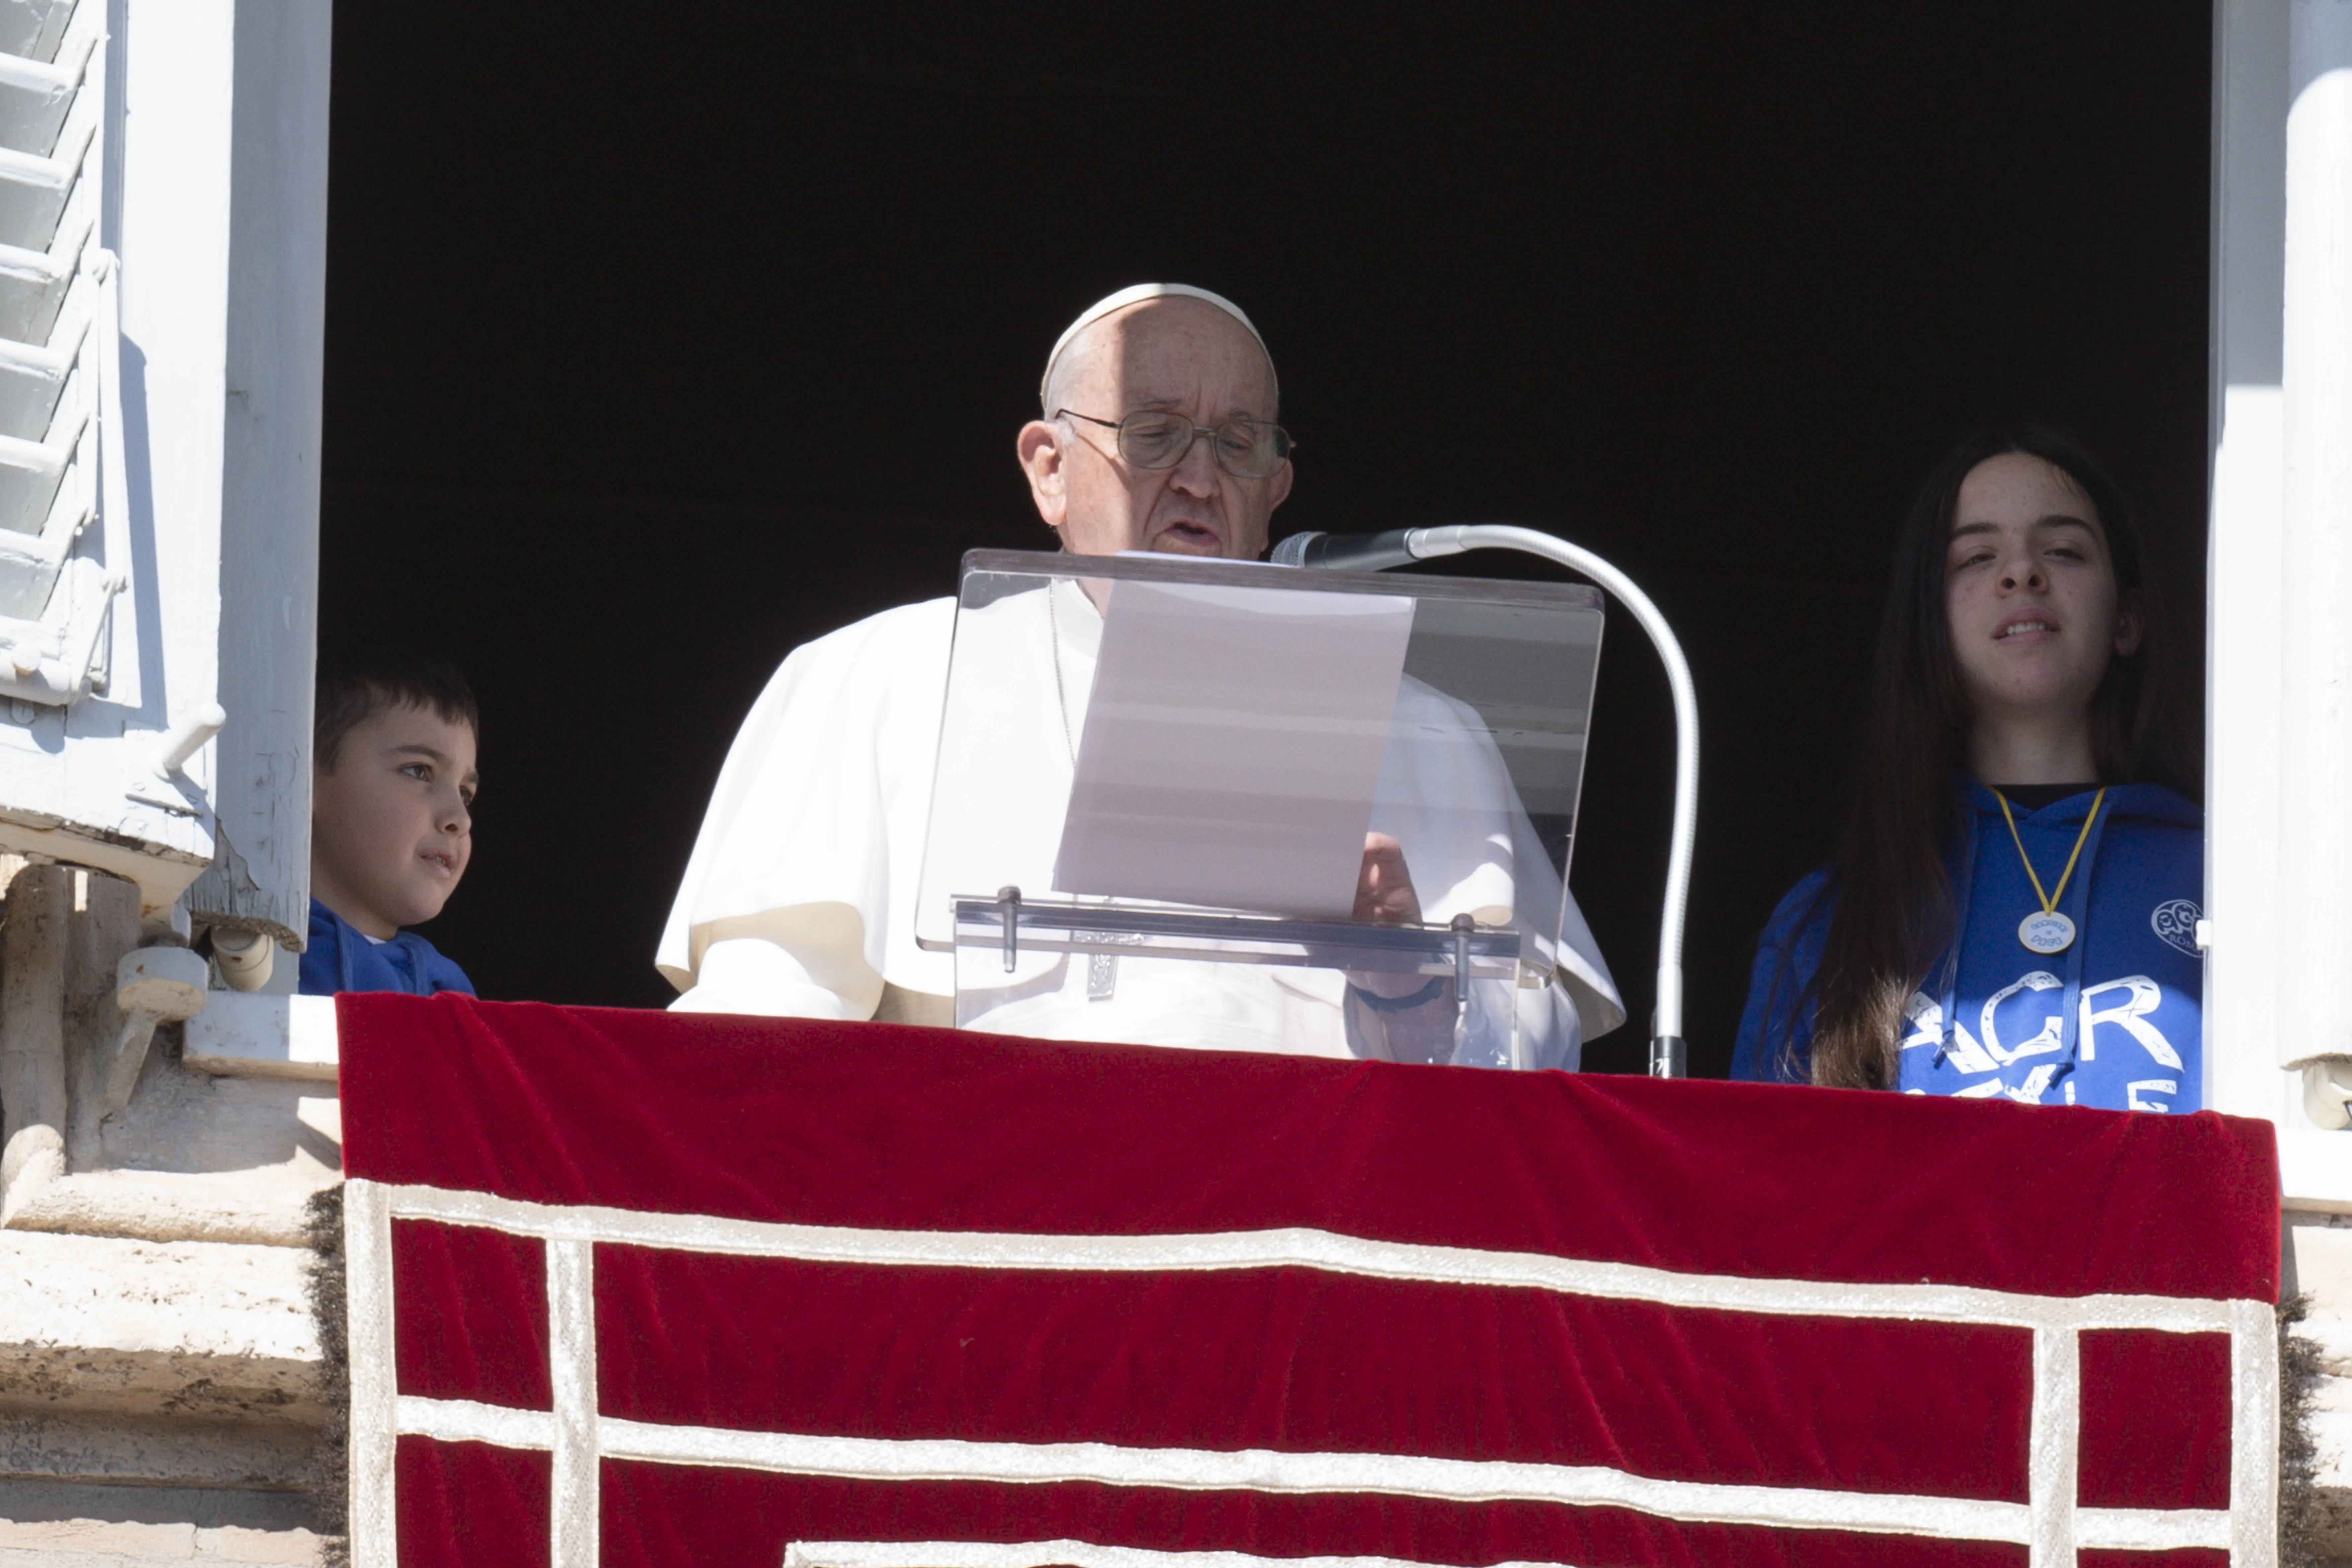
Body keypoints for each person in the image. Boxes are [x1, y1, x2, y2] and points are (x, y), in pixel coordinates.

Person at [659, 283, 1620, 1066]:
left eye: (1236, 443)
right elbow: (759, 1033)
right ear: (1048, 468)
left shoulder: (1429, 735)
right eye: (1154, 433)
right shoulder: (879, 676)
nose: (1198, 478)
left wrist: (1408, 982)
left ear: (1275, 489)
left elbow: (1538, 1066)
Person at [1731, 428, 2200, 1109]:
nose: (2022, 574)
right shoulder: (1828, 918)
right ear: (1931, 629)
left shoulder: (2239, 888)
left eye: (2064, 550)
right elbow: (1762, 1190)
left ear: (2127, 620)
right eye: (1977, 558)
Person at [299, 646, 479, 998]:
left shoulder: (449, 992)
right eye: (419, 771)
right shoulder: (249, 961)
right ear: (304, 782)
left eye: (466, 793)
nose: (460, 819)